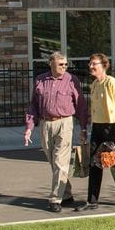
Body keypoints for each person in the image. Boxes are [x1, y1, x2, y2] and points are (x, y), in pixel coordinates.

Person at [24, 51, 88, 213]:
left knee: (60, 161)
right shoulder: (40, 80)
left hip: (65, 123)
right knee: (54, 161)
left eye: (66, 64)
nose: (64, 67)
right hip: (45, 124)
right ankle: (66, 194)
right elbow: (33, 105)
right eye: (61, 64)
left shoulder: (71, 80)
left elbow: (80, 105)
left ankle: (55, 199)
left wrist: (83, 127)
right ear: (51, 63)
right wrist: (29, 128)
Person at [77, 52, 115, 210]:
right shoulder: (94, 85)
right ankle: (92, 201)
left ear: (104, 66)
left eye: (94, 64)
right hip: (97, 127)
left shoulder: (112, 83)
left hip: (111, 127)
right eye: (90, 64)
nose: (91, 66)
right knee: (94, 163)